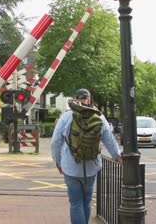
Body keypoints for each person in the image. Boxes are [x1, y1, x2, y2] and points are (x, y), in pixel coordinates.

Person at [51, 88, 122, 224]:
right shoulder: (99, 116)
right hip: (91, 167)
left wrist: (58, 162)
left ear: (75, 99)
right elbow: (109, 138)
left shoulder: (66, 117)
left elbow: (55, 142)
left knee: (75, 202)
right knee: (87, 201)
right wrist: (116, 156)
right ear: (89, 100)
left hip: (70, 167)